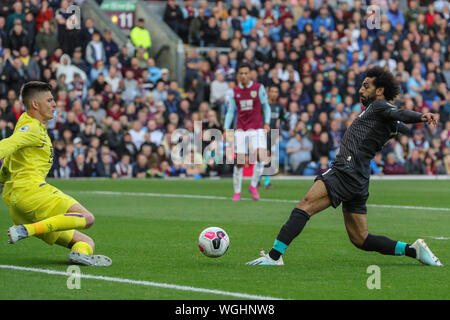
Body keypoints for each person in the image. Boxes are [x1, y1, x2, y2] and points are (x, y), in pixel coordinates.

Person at [247, 67, 442, 267]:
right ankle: (413, 250)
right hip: (359, 177)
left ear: (380, 90)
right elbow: (399, 121)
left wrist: (421, 117)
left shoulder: (379, 106)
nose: (360, 90)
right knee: (361, 239)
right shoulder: (380, 115)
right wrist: (405, 125)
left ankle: (274, 256)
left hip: (346, 169)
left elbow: (398, 113)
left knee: (305, 205)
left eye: (366, 86)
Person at [1, 81, 111, 267]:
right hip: (31, 192)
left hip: (19, 206)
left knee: (85, 242)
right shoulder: (32, 128)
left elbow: (10, 159)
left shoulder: (27, 124)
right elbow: (7, 146)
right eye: (50, 100)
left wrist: (2, 178)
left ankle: (78, 255)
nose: (54, 104)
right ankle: (26, 230)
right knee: (87, 218)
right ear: (35, 104)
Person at [223, 63, 271, 201]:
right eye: (241, 73)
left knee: (261, 157)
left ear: (250, 74)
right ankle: (237, 192)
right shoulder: (234, 91)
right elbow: (231, 111)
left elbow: (266, 106)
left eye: (246, 73)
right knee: (240, 162)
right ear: (238, 75)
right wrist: (226, 129)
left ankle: (253, 186)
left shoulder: (258, 88)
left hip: (256, 128)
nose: (243, 76)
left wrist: (267, 122)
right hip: (241, 130)